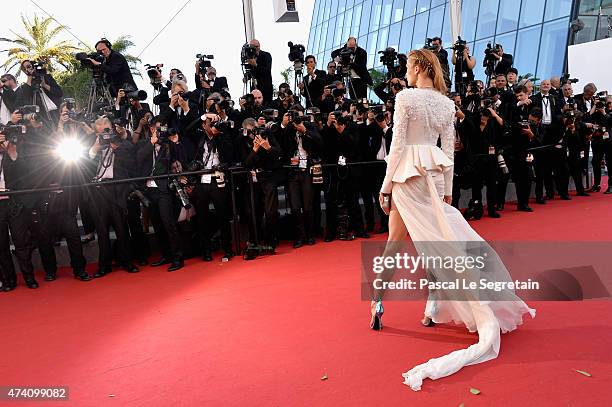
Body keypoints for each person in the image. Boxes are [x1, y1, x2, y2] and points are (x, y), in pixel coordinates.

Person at [371, 48, 534, 391]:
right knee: (438, 242)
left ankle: (378, 301)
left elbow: (398, 145)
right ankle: (431, 307)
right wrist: (447, 190)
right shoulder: (446, 103)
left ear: (417, 67)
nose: (406, 71)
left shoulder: (406, 98)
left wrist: (385, 187)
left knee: (395, 243)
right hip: (431, 177)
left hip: (406, 177)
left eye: (408, 67)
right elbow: (447, 151)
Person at [245, 39, 273, 104]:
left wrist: (256, 65)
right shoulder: (250, 57)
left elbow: (267, 71)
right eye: (253, 47)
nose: (256, 48)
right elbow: (251, 72)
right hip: (255, 87)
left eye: (257, 46)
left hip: (265, 88)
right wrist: (246, 77)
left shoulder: (266, 55)